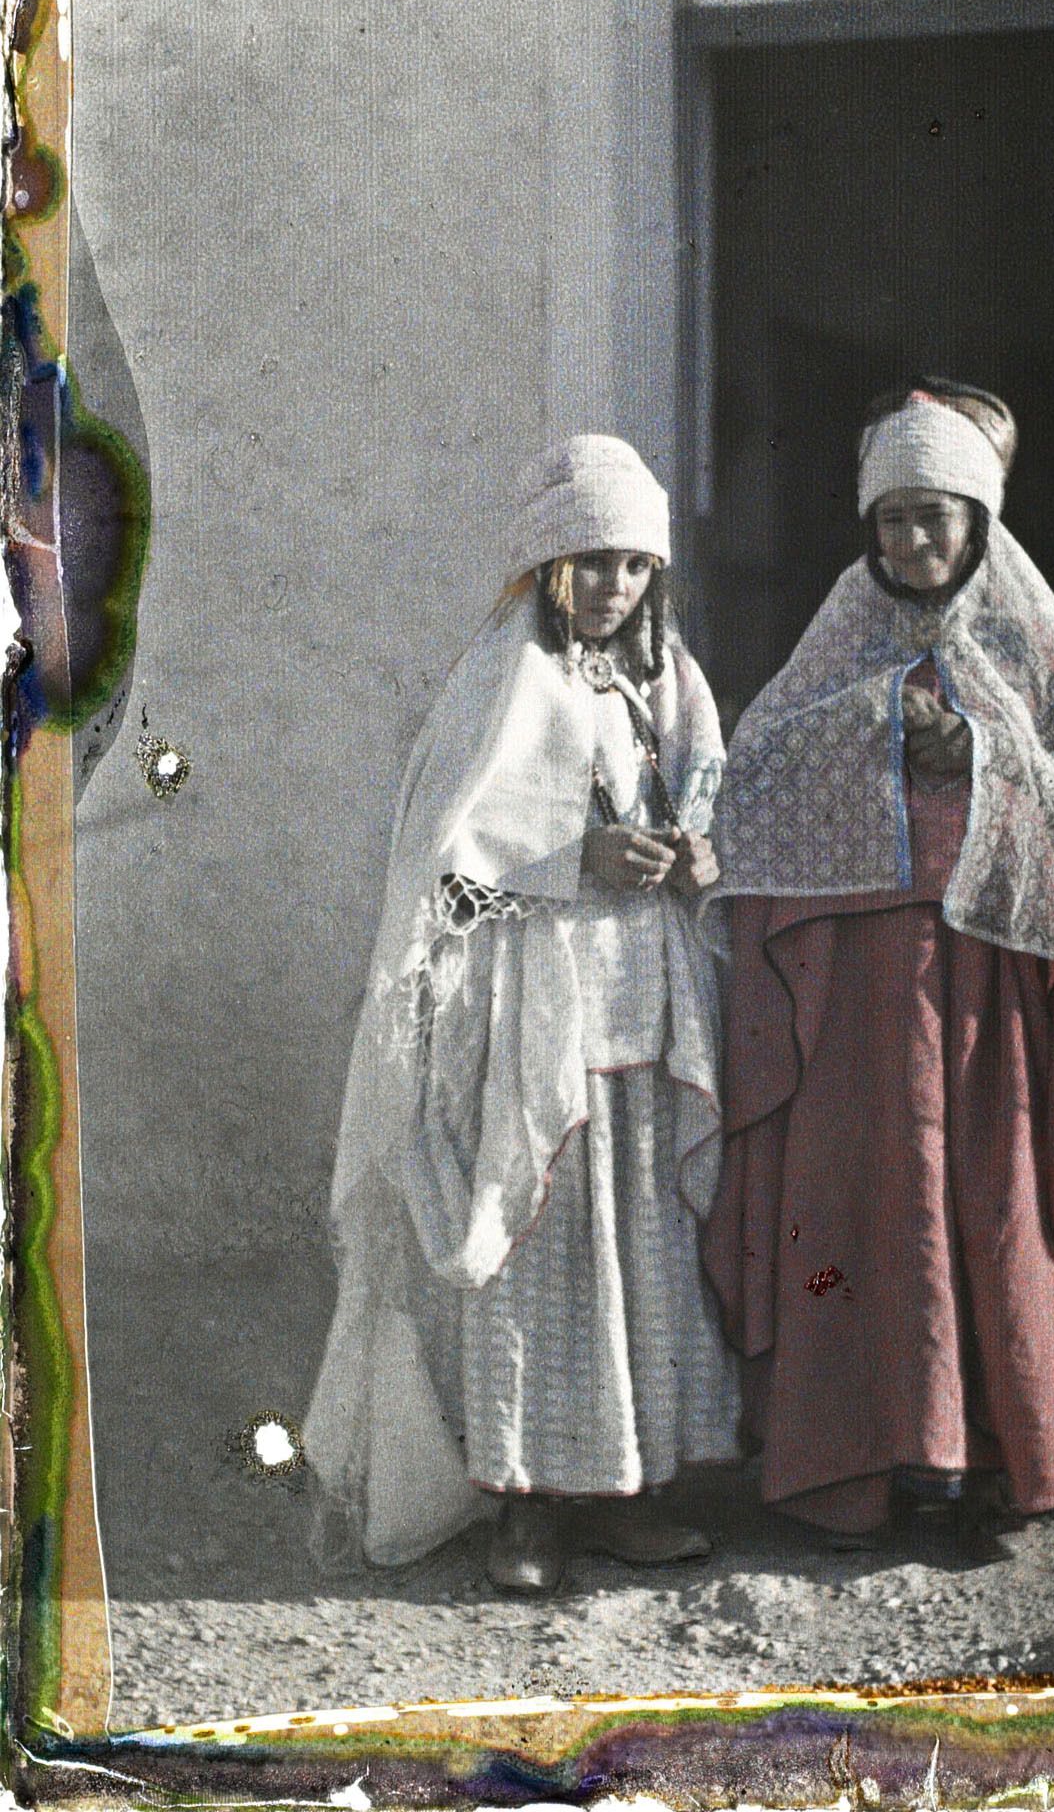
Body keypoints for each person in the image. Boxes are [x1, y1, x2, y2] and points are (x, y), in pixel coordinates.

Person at [701, 380, 1054, 1544]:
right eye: (893, 518)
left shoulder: (1029, 647)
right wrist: (870, 730)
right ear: (870, 529)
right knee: (873, 1213)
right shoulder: (836, 642)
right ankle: (883, 1459)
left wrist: (992, 753)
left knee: (997, 1208)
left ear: (976, 526)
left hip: (996, 992)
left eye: (935, 517)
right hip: (860, 997)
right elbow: (753, 771)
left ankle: (1009, 1456)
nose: (912, 540)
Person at [305, 433, 739, 1593]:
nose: (613, 587)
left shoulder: (670, 683)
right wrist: (571, 856)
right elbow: (443, 878)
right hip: (534, 1007)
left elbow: (708, 796)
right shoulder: (503, 682)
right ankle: (524, 1503)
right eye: (589, 562)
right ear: (544, 566)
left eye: (635, 566)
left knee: (639, 1249)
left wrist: (696, 849)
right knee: (535, 1251)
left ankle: (626, 1490)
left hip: (639, 1005)